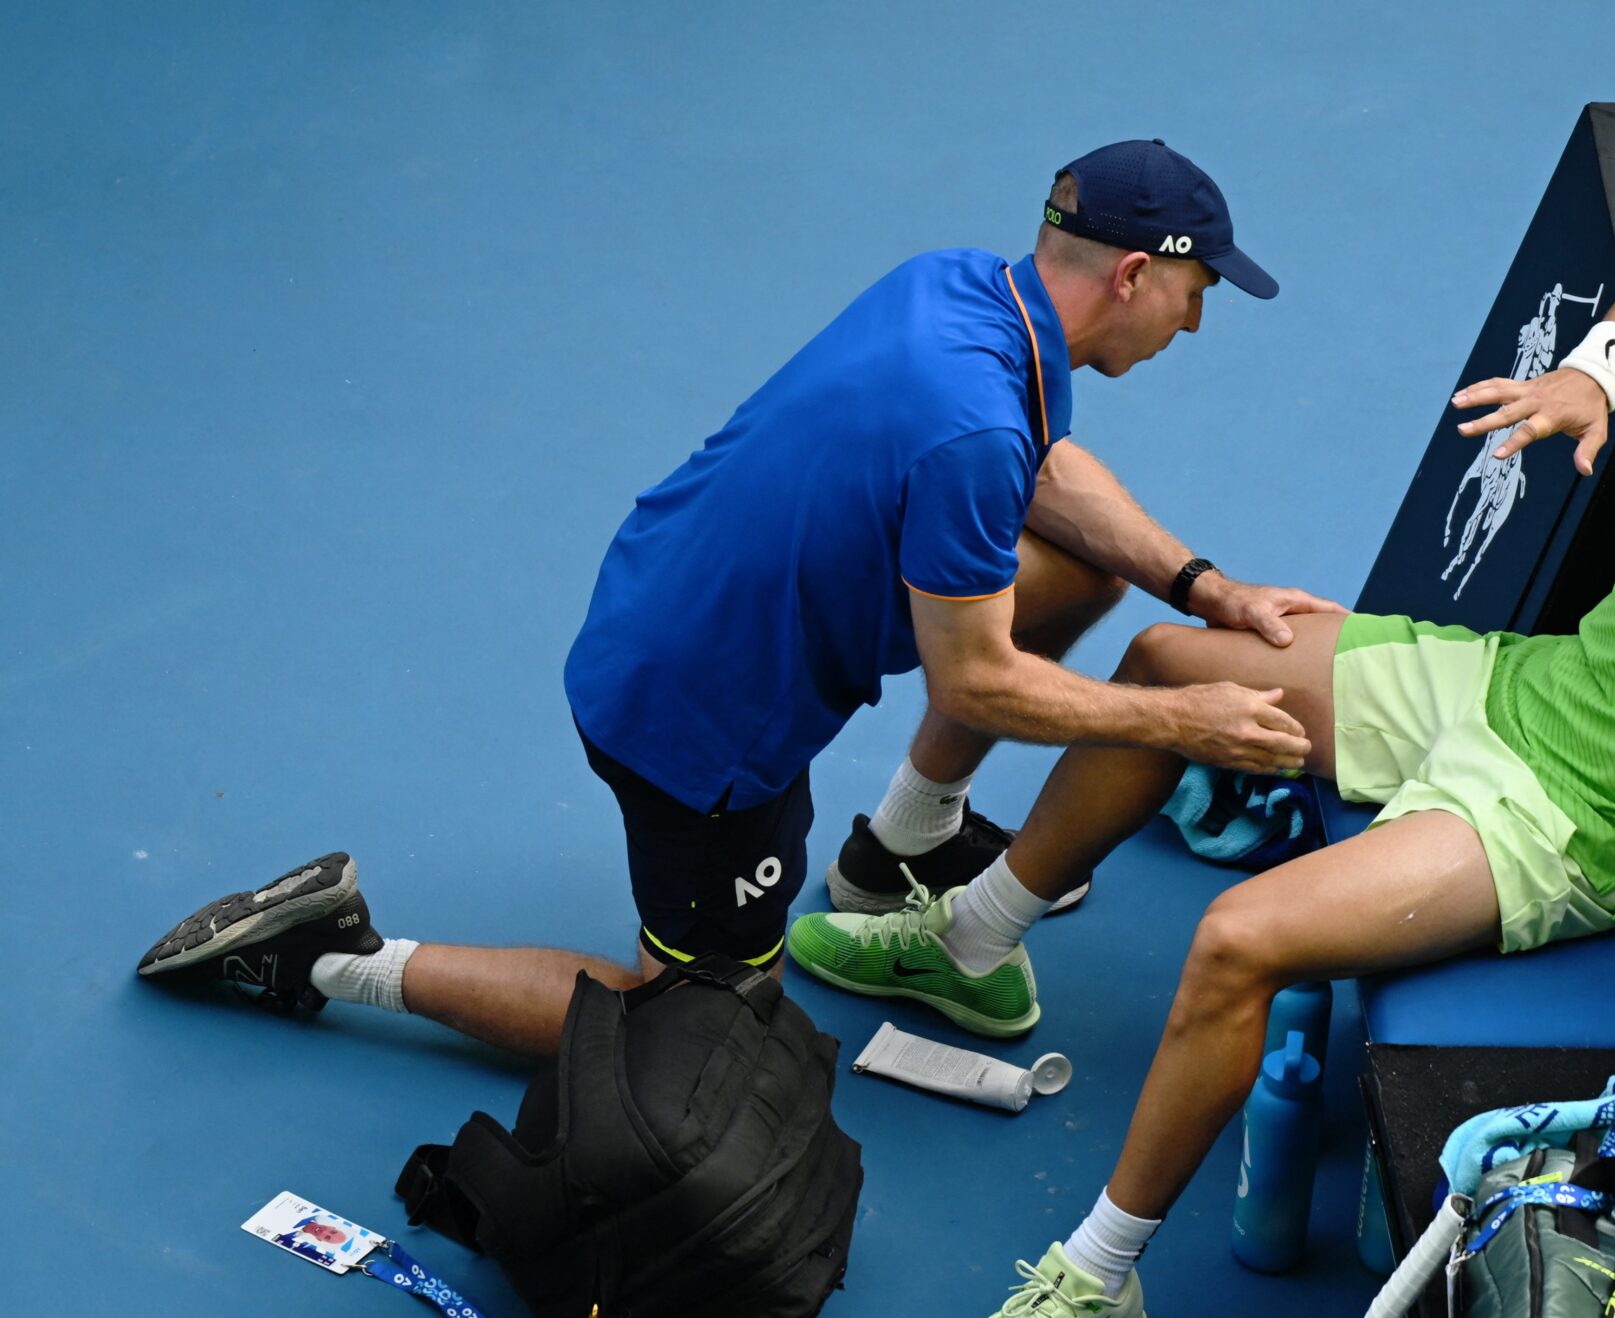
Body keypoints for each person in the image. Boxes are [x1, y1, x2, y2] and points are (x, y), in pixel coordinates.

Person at [789, 189, 1615, 1318]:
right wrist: (1598, 372)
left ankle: (1095, 1284)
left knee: (1236, 939)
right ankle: (973, 943)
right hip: (1513, 687)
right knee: (1166, 663)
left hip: (1566, 823)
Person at [135, 140, 1339, 1055]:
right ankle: (330, 957)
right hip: (699, 721)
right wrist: (1181, 721)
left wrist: (1200, 585)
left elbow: (1043, 470)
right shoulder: (971, 424)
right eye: (1196, 292)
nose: (1196, 320)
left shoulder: (964, 295)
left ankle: (901, 849)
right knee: (696, 1028)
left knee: (1077, 568)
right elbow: (978, 678)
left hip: (673, 594)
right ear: (1133, 275)